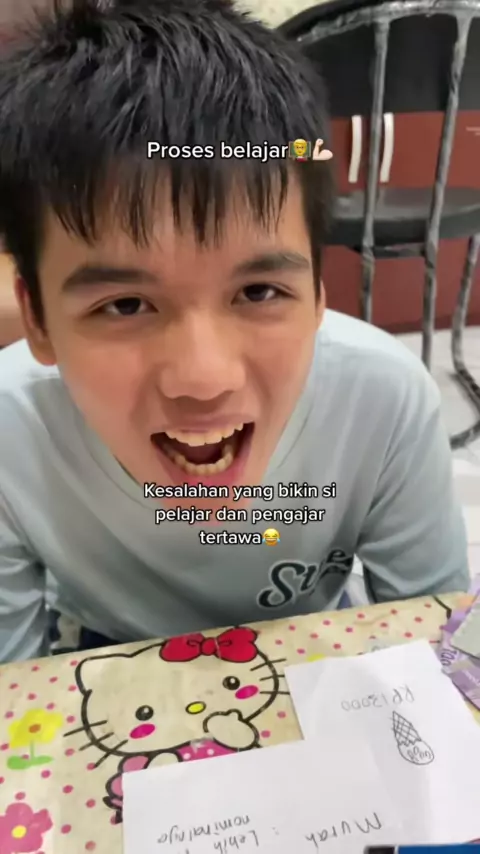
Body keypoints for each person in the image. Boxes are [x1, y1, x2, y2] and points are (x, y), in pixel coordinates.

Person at [0, 0, 468, 664]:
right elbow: (14, 689)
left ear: (318, 293)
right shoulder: (11, 431)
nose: (204, 379)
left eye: (258, 291)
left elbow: (439, 643)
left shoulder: (383, 399)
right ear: (38, 318)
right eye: (125, 305)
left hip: (311, 645)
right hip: (110, 656)